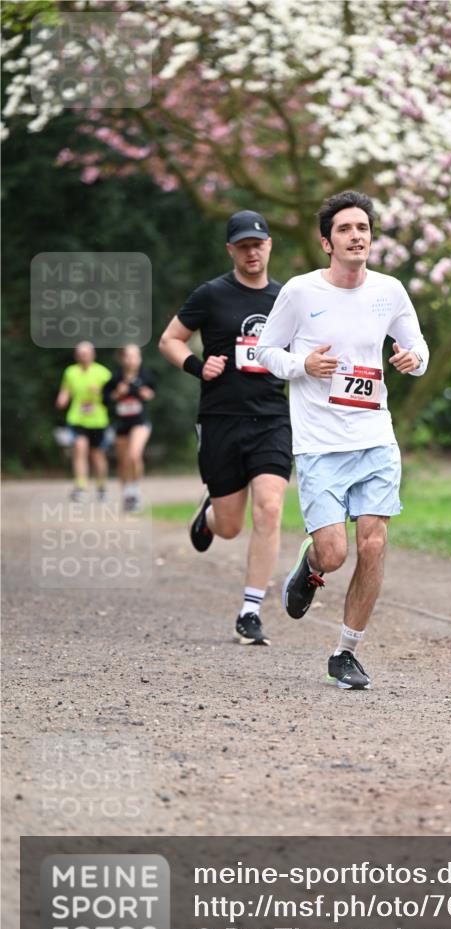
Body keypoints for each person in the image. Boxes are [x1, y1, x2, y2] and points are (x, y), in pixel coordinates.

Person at [256, 190, 429, 690]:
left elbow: (417, 345)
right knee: (334, 552)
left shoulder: (390, 291)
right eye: (346, 229)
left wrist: (412, 359)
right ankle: (309, 567)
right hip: (319, 443)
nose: (357, 236)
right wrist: (301, 365)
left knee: (372, 544)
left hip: (375, 436)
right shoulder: (301, 292)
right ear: (326, 242)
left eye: (364, 228)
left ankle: (345, 652)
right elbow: (266, 351)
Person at [159, 210, 291, 646]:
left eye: (258, 243)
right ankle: (211, 515)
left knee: (270, 507)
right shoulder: (212, 294)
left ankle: (250, 610)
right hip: (221, 419)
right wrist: (199, 365)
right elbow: (169, 340)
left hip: (272, 417)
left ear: (269, 245)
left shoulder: (288, 299)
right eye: (243, 245)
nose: (252, 251)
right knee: (231, 526)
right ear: (231, 250)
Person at [55, 341, 112, 502]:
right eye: (80, 354)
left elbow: (112, 396)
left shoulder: (103, 373)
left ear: (93, 355)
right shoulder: (70, 372)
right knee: (79, 449)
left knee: (97, 455)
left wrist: (101, 392)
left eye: (86, 353)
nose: (83, 356)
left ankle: (101, 487)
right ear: (76, 356)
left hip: (98, 421)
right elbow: (66, 390)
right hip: (77, 418)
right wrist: (62, 399)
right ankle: (81, 487)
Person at [104, 345, 156, 511]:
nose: (133, 360)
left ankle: (135, 492)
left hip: (140, 423)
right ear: (122, 359)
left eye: (136, 356)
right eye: (129, 356)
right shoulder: (115, 378)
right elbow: (106, 399)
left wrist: (146, 394)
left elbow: (152, 393)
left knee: (134, 455)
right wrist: (118, 393)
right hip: (121, 424)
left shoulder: (146, 376)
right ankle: (127, 494)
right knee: (123, 461)